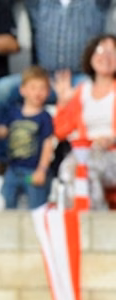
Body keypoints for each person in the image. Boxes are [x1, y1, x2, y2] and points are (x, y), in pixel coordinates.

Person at [53, 35, 116, 209]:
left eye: (112, 51)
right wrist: (63, 103)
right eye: (100, 50)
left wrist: (112, 139)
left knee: (87, 170)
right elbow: (61, 132)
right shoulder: (82, 91)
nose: (106, 56)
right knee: (67, 169)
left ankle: (95, 223)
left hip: (111, 153)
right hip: (85, 150)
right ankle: (75, 224)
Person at [0, 65, 57, 210]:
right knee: (6, 201)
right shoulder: (13, 112)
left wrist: (42, 170)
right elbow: (2, 132)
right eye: (33, 87)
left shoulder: (45, 117)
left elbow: (48, 144)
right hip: (13, 170)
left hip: (33, 172)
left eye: (42, 88)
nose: (38, 92)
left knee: (36, 206)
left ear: (48, 92)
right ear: (22, 90)